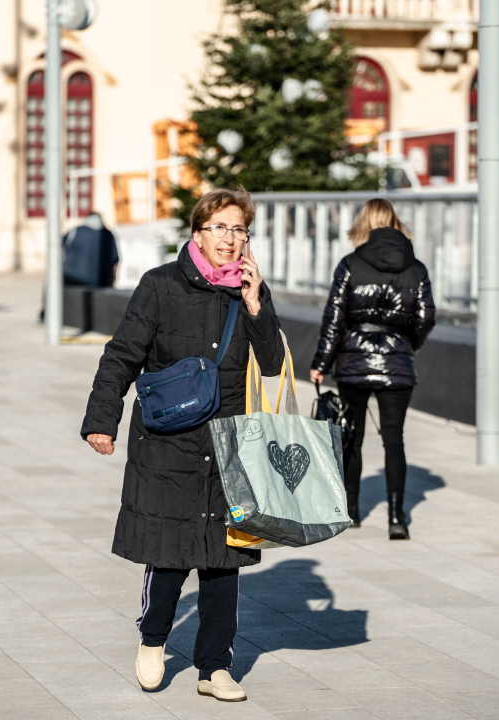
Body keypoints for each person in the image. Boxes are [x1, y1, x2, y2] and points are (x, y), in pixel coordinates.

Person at [80, 189, 283, 701]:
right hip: (168, 442)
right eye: (219, 227)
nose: (230, 239)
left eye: (239, 229)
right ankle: (153, 640)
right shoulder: (160, 285)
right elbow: (122, 354)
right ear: (198, 233)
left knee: (224, 560)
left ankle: (214, 667)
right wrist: (101, 418)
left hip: (229, 443)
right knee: (168, 553)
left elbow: (274, 363)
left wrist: (256, 307)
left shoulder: (250, 290)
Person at [309, 199, 435, 541]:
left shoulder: (350, 264)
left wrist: (321, 363)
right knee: (394, 439)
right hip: (397, 364)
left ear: (363, 224)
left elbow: (334, 319)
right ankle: (397, 517)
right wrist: (405, 345)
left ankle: (352, 511)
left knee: (353, 437)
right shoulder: (417, 268)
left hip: (354, 363)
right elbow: (426, 318)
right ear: (395, 222)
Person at [63, 212, 120, 287]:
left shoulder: (76, 231)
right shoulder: (108, 235)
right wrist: (112, 281)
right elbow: (114, 262)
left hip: (72, 279)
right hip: (100, 284)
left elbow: (57, 246)